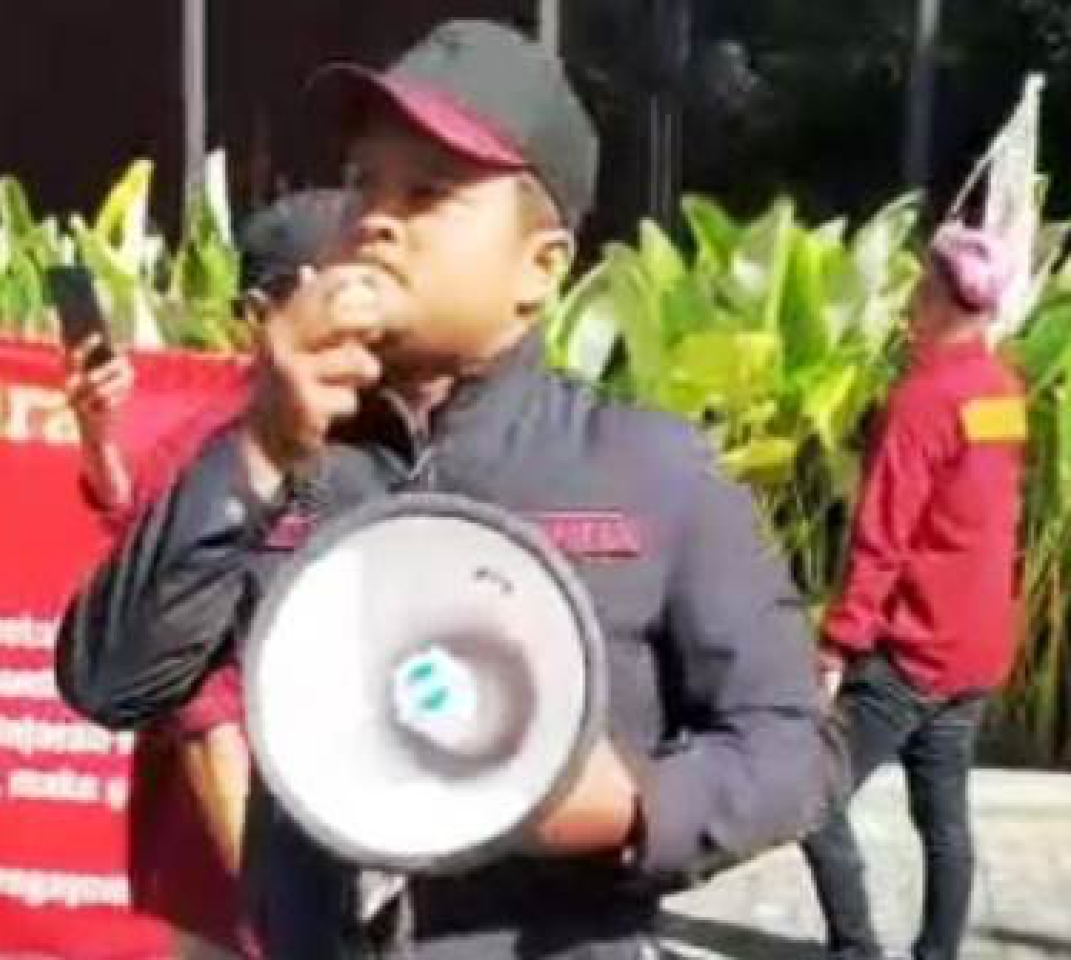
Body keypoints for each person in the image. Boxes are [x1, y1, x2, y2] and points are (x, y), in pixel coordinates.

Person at [56, 20, 827, 959]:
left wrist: (633, 805)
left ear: (540, 268)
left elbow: (792, 746)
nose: (376, 220)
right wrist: (259, 444)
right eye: (363, 184)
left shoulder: (651, 471)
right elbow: (111, 680)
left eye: (427, 193)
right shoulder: (277, 451)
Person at [60, 188, 354, 959]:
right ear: (260, 315)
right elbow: (203, 715)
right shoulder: (210, 461)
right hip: (244, 891)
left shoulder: (398, 435)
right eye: (331, 289)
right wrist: (279, 916)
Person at [803, 223, 1027, 960]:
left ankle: (855, 949)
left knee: (810, 794)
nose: (910, 300)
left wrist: (837, 643)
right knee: (944, 820)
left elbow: (882, 538)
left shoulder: (922, 401)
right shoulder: (1002, 390)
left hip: (913, 651)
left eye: (919, 287)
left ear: (935, 295)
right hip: (977, 647)